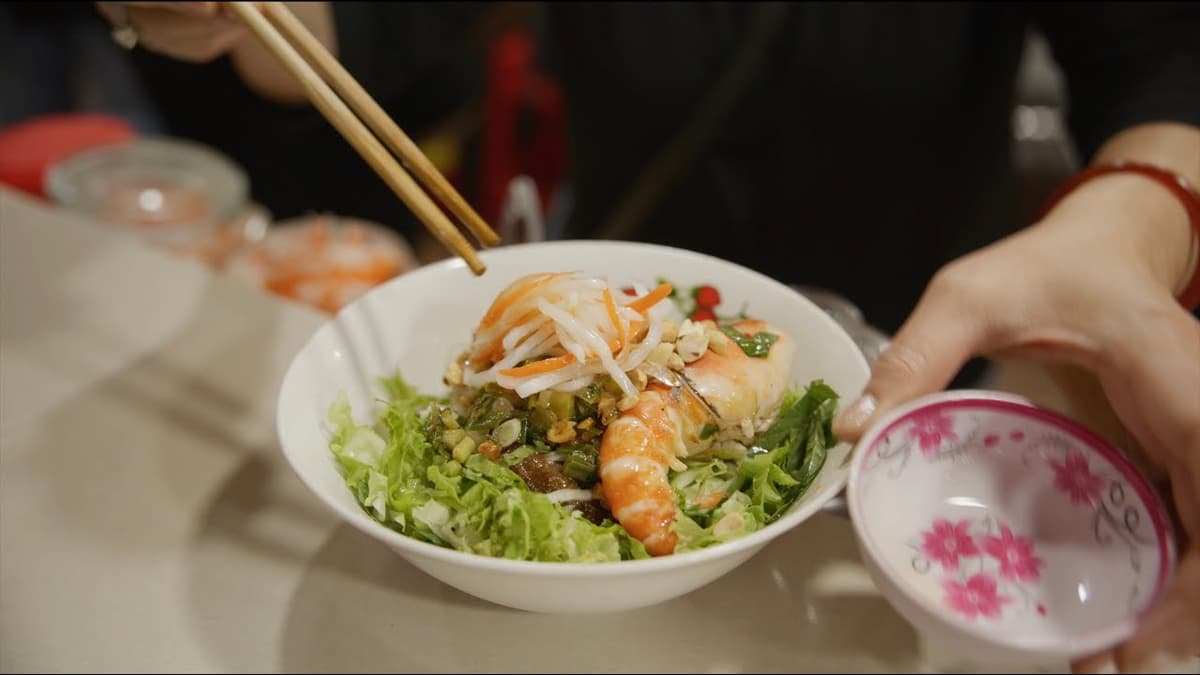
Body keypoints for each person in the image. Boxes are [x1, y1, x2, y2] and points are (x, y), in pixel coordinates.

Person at [95, 3, 1200, 672]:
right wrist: (231, 12)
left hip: (934, 411)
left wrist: (1136, 221)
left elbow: (1164, 46)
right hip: (600, 366)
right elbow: (367, 27)